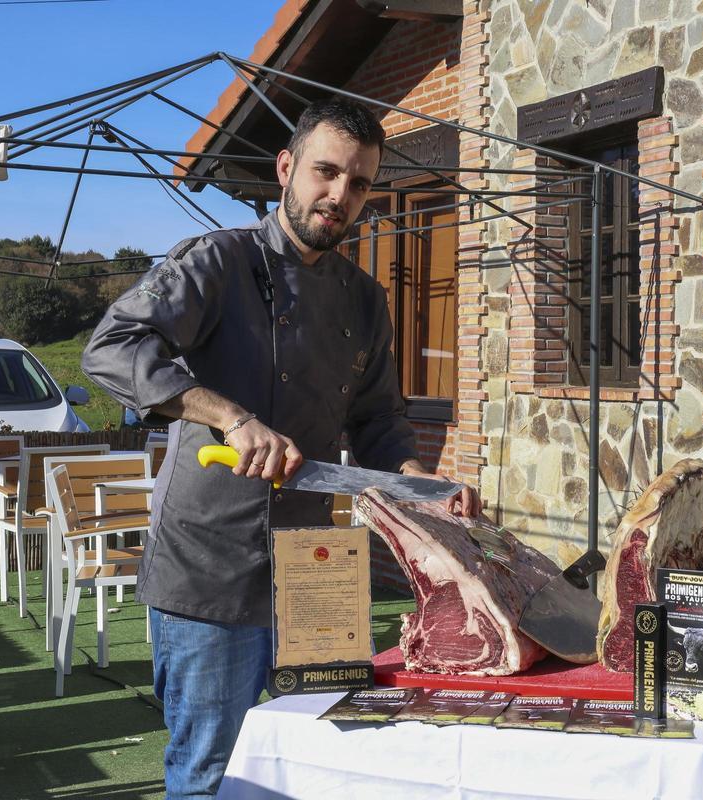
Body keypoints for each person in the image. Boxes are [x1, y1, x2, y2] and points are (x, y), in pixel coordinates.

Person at [82, 97, 480, 798]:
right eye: (325, 173)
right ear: (287, 167)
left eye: (358, 183)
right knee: (211, 772)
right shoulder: (217, 261)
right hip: (209, 573)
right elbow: (112, 349)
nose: (340, 196)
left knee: (320, 762)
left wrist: (424, 486)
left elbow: (380, 423)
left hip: (312, 571)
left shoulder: (365, 300)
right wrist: (229, 417)